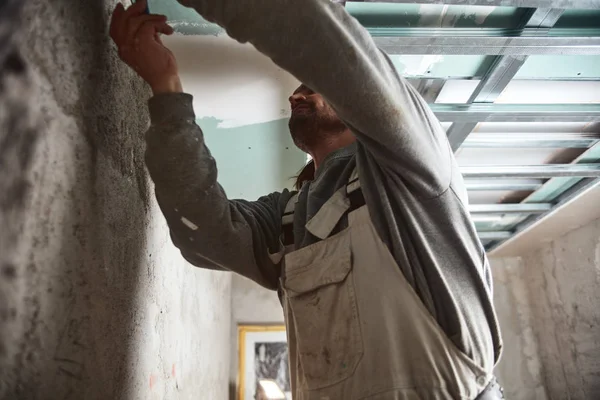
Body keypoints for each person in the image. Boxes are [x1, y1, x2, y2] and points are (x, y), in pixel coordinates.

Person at [110, 0, 504, 398]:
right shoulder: (289, 218)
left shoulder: (410, 171)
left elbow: (325, 45)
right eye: (297, 89)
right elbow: (201, 231)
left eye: (312, 85)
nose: (296, 94)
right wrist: (166, 87)